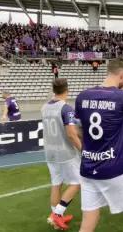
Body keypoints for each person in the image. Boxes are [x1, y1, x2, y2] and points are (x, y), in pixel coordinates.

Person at [75, 58, 123, 232]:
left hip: (87, 168)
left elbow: (78, 130)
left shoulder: (83, 96)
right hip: (115, 169)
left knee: (89, 218)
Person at [42, 78, 83, 230]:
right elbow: (72, 134)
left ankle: (56, 221)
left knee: (56, 184)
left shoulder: (44, 107)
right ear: (67, 90)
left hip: (50, 152)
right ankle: (57, 214)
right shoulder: (66, 108)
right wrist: (82, 150)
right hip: (65, 153)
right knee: (78, 183)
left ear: (53, 90)